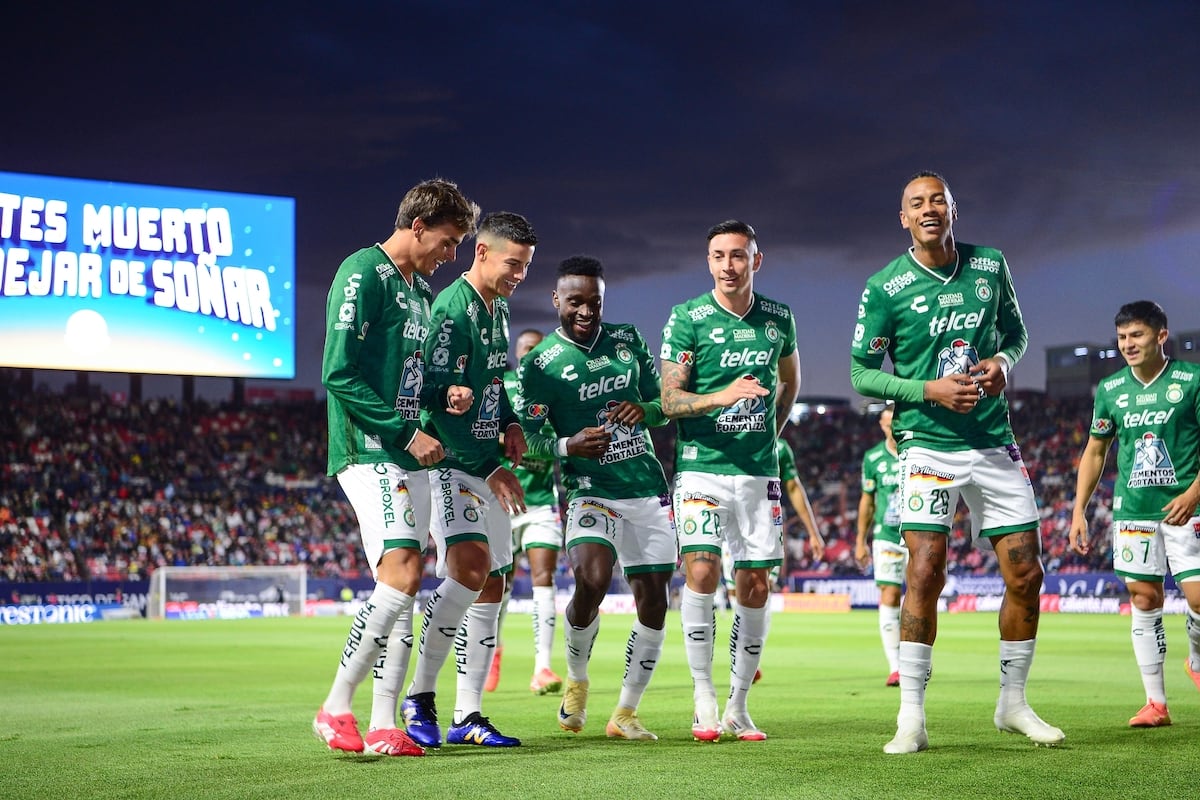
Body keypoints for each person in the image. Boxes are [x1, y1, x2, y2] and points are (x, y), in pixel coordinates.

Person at [850, 171, 1064, 753]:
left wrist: (1003, 361)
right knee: (925, 571)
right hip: (926, 443)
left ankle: (1012, 704)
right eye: (916, 203)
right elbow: (861, 373)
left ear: (953, 209)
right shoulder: (885, 286)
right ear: (904, 218)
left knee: (1027, 574)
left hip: (993, 442)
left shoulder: (990, 265)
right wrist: (928, 391)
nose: (929, 209)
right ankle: (911, 718)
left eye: (938, 200)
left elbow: (1016, 335)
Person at [313, 178, 479, 757]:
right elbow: (338, 371)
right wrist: (406, 432)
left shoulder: (418, 292)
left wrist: (443, 393)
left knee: (400, 587)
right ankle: (336, 706)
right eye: (448, 241)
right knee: (405, 572)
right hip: (371, 448)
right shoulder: (363, 272)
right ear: (418, 226)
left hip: (406, 451)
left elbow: (411, 378)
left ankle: (385, 723)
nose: (450, 254)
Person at [519, 255, 676, 740]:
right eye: (575, 302)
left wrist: (644, 409)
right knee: (592, 579)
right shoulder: (540, 365)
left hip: (645, 489)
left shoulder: (628, 341)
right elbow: (526, 440)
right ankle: (577, 680)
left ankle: (625, 712)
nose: (586, 311)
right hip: (590, 491)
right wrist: (568, 445)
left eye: (594, 302)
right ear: (556, 300)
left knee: (654, 602)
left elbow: (664, 406)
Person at [399, 211, 537, 749]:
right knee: (470, 569)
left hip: (485, 459)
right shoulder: (451, 311)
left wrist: (511, 422)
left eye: (525, 267)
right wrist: (489, 466)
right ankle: (419, 695)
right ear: (482, 252)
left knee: (493, 581)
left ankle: (468, 715)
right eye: (512, 264)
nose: (519, 275)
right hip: (453, 462)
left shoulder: (498, 307)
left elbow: (493, 382)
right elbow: (434, 398)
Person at [660, 220, 799, 742]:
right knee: (701, 571)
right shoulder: (688, 317)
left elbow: (790, 383)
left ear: (755, 260)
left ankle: (739, 705)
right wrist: (723, 396)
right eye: (718, 255)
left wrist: (768, 436)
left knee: (756, 584)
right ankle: (704, 697)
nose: (727, 265)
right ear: (708, 261)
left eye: (738, 255)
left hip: (758, 473)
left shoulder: (778, 318)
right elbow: (669, 401)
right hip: (701, 468)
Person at [1069, 301, 1200, 728]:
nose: (1128, 344)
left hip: (1186, 509)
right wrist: (1079, 509)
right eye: (1122, 337)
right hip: (1134, 512)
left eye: (1137, 335)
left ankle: (1196, 662)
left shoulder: (1192, 380)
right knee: (1144, 599)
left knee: (1198, 598)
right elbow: (1095, 451)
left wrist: (1194, 493)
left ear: (1161, 336)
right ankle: (1155, 703)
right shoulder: (1110, 390)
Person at [488, 328, 566, 696]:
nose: (532, 354)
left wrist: (529, 444)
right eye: (527, 349)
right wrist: (515, 441)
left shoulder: (557, 391)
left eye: (538, 349)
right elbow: (485, 433)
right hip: (502, 502)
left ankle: (542, 667)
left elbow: (564, 442)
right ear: (517, 353)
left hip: (541, 503)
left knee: (543, 578)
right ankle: (494, 652)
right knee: (499, 585)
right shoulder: (501, 386)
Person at [854, 402, 907, 687]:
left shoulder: (919, 451)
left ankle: (918, 658)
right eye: (888, 423)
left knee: (921, 595)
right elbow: (867, 501)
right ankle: (896, 666)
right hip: (887, 535)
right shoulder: (873, 458)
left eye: (896, 422)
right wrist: (860, 541)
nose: (892, 427)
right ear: (882, 425)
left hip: (920, 535)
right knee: (890, 593)